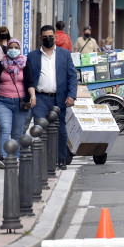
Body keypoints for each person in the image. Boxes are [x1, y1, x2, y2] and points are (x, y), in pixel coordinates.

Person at [28, 25, 78, 170]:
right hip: (40, 98)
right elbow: (29, 78)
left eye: (51, 37)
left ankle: (61, 158)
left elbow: (72, 77)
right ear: (40, 38)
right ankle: (41, 159)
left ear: (55, 37)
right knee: (39, 127)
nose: (48, 39)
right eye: (45, 37)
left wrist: (72, 96)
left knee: (61, 130)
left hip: (60, 98)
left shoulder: (65, 54)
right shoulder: (32, 56)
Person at [0, 39, 34, 168]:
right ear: (7, 49)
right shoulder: (0, 65)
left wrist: (33, 96)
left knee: (17, 132)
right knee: (5, 128)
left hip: (20, 103)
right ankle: (4, 157)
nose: (13, 49)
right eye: (11, 47)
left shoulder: (25, 64)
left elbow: (29, 82)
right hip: (2, 102)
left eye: (16, 47)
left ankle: (15, 158)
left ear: (20, 49)